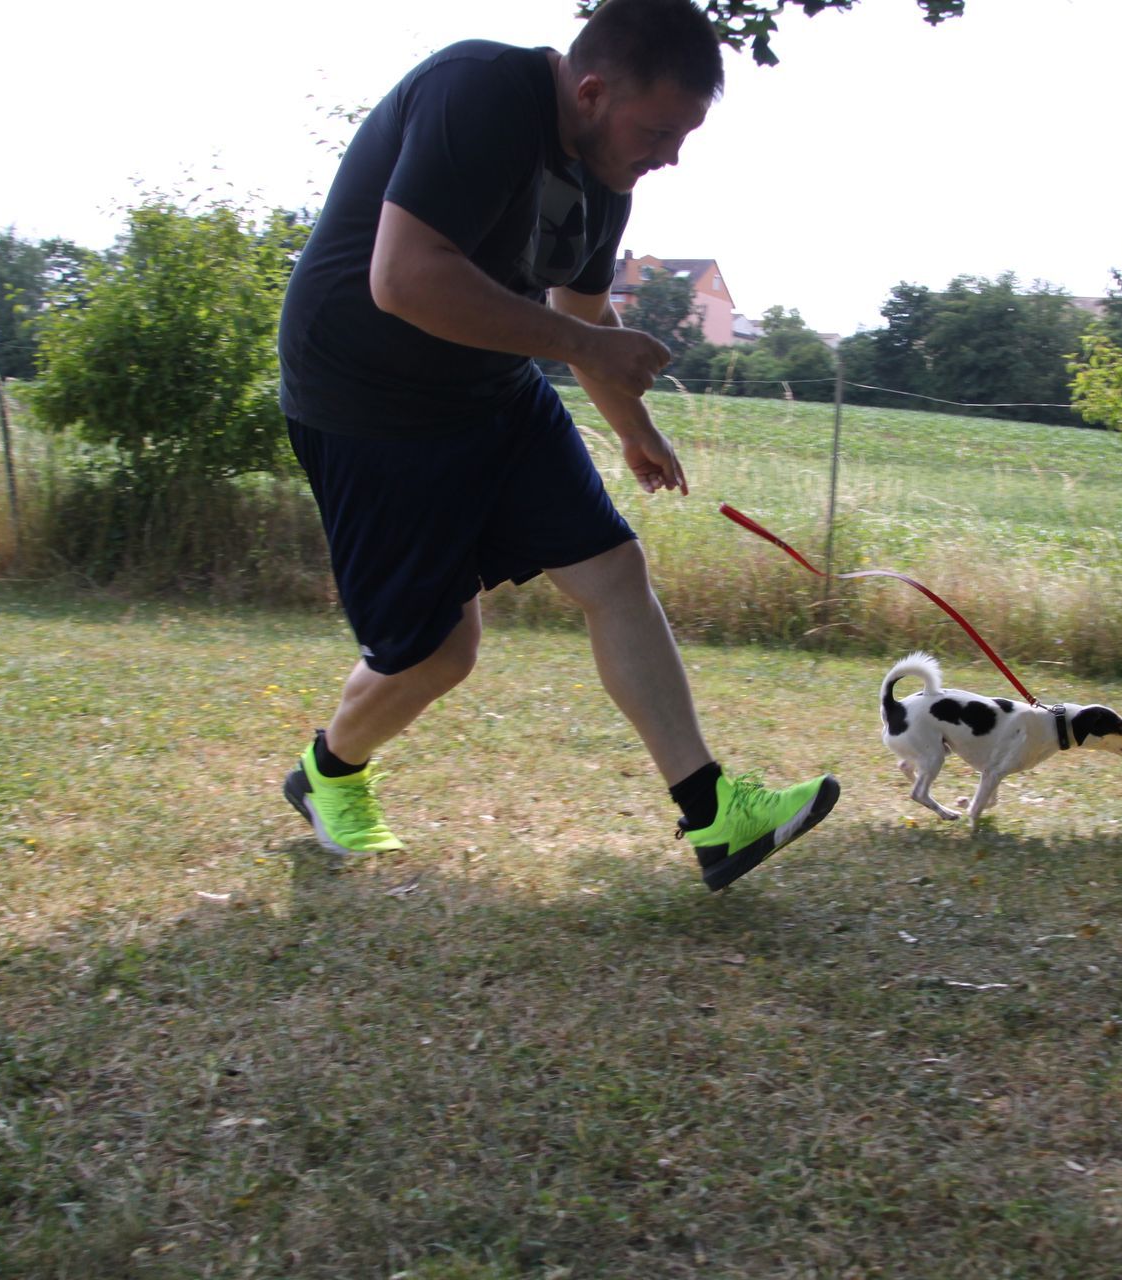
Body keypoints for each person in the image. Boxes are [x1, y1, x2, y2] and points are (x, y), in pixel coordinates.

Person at [276, 0, 838, 890]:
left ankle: (714, 814)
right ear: (591, 91)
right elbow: (403, 276)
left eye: (683, 136)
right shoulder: (479, 92)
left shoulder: (605, 179)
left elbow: (581, 316)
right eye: (658, 131)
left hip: (491, 388)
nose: (670, 156)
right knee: (439, 653)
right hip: (368, 401)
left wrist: (636, 429)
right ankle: (328, 771)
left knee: (613, 570)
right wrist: (586, 349)